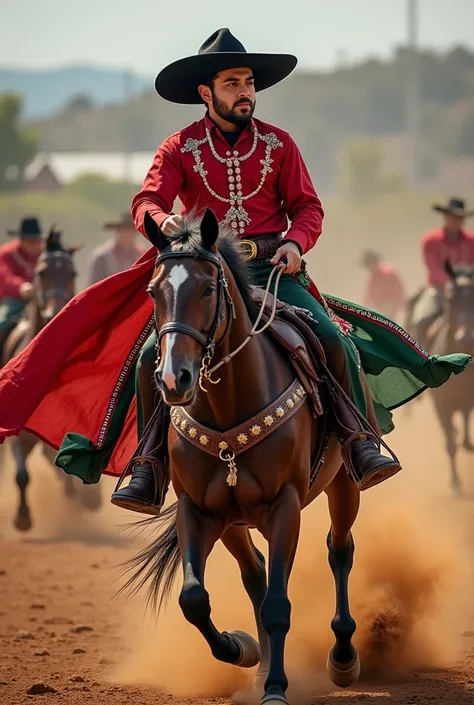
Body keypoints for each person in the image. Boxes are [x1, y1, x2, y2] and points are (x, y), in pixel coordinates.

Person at [0, 30, 469, 513]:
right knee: (145, 360)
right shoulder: (178, 148)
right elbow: (148, 201)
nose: (244, 91)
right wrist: (165, 225)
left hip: (272, 271)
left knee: (332, 337)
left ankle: (357, 441)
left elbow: (308, 208)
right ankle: (148, 465)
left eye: (248, 82)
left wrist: (294, 241)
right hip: (204, 270)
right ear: (206, 92)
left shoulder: (280, 144)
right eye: (232, 83)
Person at [412, 197, 474, 344]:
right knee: (421, 319)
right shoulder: (431, 240)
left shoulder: (472, 241)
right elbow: (433, 269)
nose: (456, 221)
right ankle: (419, 360)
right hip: (439, 291)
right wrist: (450, 283)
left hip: (468, 293)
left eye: (459, 218)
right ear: (445, 217)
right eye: (453, 217)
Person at [0, 217, 43, 354]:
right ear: (21, 240)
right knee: (2, 323)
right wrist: (21, 287)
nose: (35, 245)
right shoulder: (6, 254)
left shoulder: (44, 255)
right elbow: (5, 277)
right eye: (31, 241)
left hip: (41, 300)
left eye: (37, 241)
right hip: (15, 300)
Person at [87, 212, 147, 285]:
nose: (127, 234)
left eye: (130, 230)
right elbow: (94, 285)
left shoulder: (143, 255)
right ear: (118, 231)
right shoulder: (103, 256)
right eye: (124, 230)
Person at [361, 250, 406, 321]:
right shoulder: (371, 279)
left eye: (371, 263)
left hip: (393, 310)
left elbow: (399, 292)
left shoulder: (389, 273)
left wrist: (394, 308)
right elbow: (368, 297)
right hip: (379, 311)